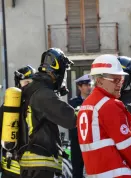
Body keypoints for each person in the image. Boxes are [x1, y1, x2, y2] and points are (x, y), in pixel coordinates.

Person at [77, 54, 131, 178]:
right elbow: (127, 145)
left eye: (122, 79)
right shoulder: (109, 105)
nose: (120, 84)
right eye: (115, 80)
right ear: (99, 81)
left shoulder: (86, 105)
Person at [18, 48, 76, 178]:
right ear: (58, 71)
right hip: (40, 165)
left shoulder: (32, 90)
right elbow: (70, 118)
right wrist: (87, 111)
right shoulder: (43, 94)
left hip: (30, 164)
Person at [0, 65, 36, 178]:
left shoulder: (37, 105)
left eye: (31, 82)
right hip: (12, 169)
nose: (28, 85)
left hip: (25, 169)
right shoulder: (9, 107)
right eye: (26, 82)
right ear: (18, 83)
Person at [69, 74, 91, 178]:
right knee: (77, 169)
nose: (88, 87)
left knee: (93, 169)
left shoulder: (94, 101)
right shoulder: (73, 102)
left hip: (91, 140)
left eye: (89, 84)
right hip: (77, 140)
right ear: (79, 87)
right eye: (86, 85)